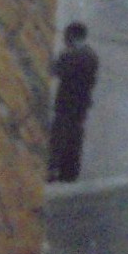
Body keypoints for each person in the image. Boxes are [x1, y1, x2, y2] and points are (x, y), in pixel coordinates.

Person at [48, 21, 99, 183]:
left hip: (65, 103)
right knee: (75, 138)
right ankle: (70, 172)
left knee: (59, 137)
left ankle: (53, 170)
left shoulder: (69, 55)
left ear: (71, 36)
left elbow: (55, 71)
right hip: (82, 104)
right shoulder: (92, 55)